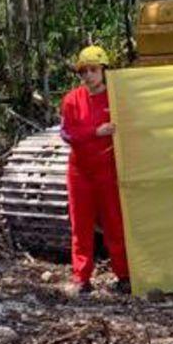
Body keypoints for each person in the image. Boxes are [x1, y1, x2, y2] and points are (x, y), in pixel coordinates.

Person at [59, 44, 130, 295]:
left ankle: (124, 275)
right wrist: (95, 132)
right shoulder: (71, 100)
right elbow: (67, 133)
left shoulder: (117, 98)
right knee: (81, 226)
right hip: (80, 172)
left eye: (93, 70)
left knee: (115, 224)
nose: (88, 75)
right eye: (83, 71)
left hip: (108, 171)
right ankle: (82, 278)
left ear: (104, 71)